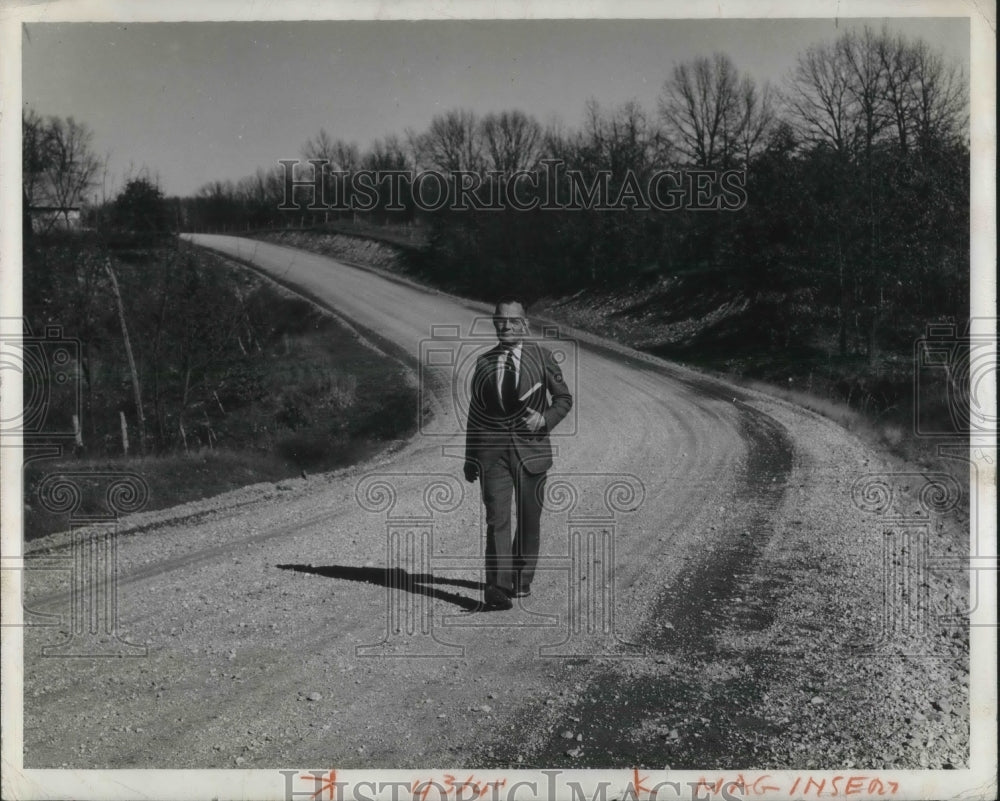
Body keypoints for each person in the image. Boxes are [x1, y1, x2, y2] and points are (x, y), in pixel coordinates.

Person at [463, 298, 573, 610]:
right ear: (495, 323)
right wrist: (471, 456)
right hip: (492, 455)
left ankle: (521, 581)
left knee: (528, 520)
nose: (507, 326)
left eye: (513, 321)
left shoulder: (542, 356)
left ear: (524, 323)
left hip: (532, 451)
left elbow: (563, 398)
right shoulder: (484, 362)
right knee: (497, 518)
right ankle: (497, 587)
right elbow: (476, 413)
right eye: (501, 321)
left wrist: (545, 419)